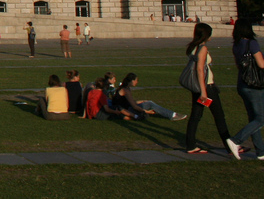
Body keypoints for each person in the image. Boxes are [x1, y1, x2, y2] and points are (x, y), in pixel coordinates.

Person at [183, 23, 231, 153]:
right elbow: (200, 70)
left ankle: (191, 145)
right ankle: (230, 146)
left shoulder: (193, 47)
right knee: (219, 117)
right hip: (206, 87)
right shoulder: (202, 48)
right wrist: (203, 92)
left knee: (196, 116)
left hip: (197, 88)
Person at [225, 18, 264, 160]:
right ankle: (236, 140)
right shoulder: (251, 43)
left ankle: (261, 152)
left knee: (253, 119)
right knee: (260, 118)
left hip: (242, 83)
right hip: (255, 85)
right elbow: (261, 64)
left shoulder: (236, 45)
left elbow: (238, 65)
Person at [113, 72, 185, 121]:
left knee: (148, 102)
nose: (137, 82)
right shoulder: (125, 90)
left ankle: (171, 114)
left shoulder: (126, 88)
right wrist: (147, 112)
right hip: (126, 110)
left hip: (127, 108)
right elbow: (134, 106)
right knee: (150, 104)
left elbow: (129, 102)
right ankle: (172, 115)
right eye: (136, 80)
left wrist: (141, 101)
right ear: (132, 81)